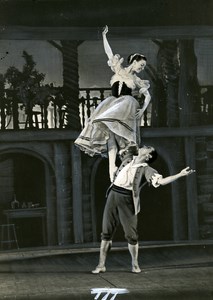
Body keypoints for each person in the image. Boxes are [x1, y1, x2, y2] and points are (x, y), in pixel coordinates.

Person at [92, 145, 195, 274]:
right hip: (112, 195)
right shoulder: (129, 158)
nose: (143, 147)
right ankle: (101, 265)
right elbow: (123, 147)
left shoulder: (147, 170)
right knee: (106, 232)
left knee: (131, 235)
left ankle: (134, 264)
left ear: (148, 156)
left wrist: (180, 174)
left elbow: (161, 181)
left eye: (147, 148)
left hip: (127, 199)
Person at [75, 25, 151, 182]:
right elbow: (108, 52)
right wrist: (104, 37)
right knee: (109, 135)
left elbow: (148, 96)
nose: (142, 68)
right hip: (113, 104)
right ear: (134, 61)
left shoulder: (136, 80)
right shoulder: (119, 70)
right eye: (141, 64)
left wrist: (143, 110)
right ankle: (112, 167)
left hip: (126, 106)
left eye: (143, 66)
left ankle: (120, 162)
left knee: (117, 132)